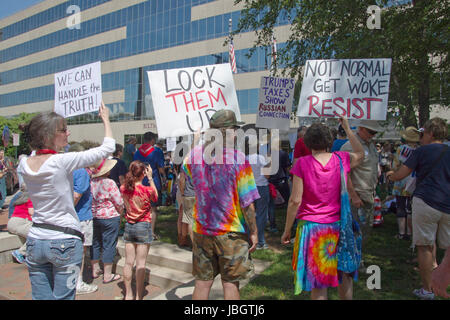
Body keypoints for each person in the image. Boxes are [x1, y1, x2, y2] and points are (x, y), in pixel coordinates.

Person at [17, 102, 114, 300]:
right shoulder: (62, 161)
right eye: (63, 130)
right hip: (64, 240)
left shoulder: (24, 163)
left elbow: (36, 157)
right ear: (48, 136)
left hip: (35, 240)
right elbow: (108, 148)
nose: (68, 133)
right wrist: (105, 119)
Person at [281, 117, 364, 299]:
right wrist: (348, 129)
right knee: (345, 275)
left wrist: (287, 230)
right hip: (339, 226)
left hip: (313, 229)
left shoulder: (302, 164)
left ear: (308, 142)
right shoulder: (342, 159)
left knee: (319, 284)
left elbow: (295, 200)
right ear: (330, 141)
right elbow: (360, 152)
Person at [182, 109, 260, 300]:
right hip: (230, 234)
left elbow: (188, 174)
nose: (237, 133)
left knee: (202, 283)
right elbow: (247, 203)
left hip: (202, 231)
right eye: (235, 128)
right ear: (227, 131)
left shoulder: (194, 156)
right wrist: (254, 232)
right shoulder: (238, 159)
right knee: (230, 284)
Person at [387, 117, 449, 300]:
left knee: (425, 247)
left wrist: (391, 175)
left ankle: (428, 290)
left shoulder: (422, 151)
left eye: (423, 133)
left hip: (426, 201)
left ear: (430, 133)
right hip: (447, 203)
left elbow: (401, 174)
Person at [340, 120, 383, 251]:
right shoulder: (350, 146)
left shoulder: (371, 146)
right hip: (356, 196)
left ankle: (356, 258)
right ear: (361, 128)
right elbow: (344, 172)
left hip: (368, 194)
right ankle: (352, 261)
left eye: (374, 133)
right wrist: (353, 195)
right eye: (371, 132)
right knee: (354, 231)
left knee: (365, 229)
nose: (373, 135)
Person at [120, 161, 158, 300]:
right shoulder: (147, 190)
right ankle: (138, 295)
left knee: (128, 262)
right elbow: (156, 196)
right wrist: (151, 178)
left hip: (129, 225)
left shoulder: (124, 188)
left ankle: (128, 293)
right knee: (141, 263)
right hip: (143, 225)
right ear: (143, 173)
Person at [68, 143, 98, 295]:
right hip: (80, 219)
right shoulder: (81, 172)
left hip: (71, 218)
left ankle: (72, 281)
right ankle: (77, 282)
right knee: (79, 252)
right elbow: (76, 196)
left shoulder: (67, 170)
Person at [89, 158, 124, 285]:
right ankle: (108, 274)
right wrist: (121, 212)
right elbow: (118, 201)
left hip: (94, 216)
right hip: (110, 217)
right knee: (109, 244)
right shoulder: (109, 183)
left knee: (96, 242)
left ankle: (95, 268)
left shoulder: (91, 182)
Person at [133, 131, 166, 240]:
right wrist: (164, 179)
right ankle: (151, 232)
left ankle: (140, 231)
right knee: (153, 208)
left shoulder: (137, 152)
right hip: (153, 183)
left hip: (140, 182)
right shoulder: (157, 151)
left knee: (141, 207)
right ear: (152, 140)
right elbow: (161, 169)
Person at [391, 127, 420, 240]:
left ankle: (401, 233)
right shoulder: (419, 150)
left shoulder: (401, 149)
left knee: (401, 206)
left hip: (401, 179)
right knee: (411, 208)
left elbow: (395, 165)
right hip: (414, 181)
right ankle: (410, 232)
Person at [245, 136, 270, 250]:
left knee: (249, 213)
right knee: (261, 214)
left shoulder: (244, 158)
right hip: (261, 187)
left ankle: (250, 238)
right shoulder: (261, 158)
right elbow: (267, 175)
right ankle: (260, 241)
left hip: (248, 188)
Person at [7, 184, 33, 264]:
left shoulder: (20, 198)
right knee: (36, 233)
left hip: (12, 222)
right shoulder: (30, 198)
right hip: (21, 222)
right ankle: (20, 252)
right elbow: (31, 213)